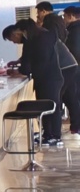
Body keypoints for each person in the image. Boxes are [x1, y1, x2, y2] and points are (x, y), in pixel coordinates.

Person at [5, 19, 73, 147]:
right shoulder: (34, 39)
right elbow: (27, 60)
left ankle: (55, 136)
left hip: (51, 79)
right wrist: (21, 68)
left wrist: (21, 70)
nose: (14, 41)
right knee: (44, 106)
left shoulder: (41, 38)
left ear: (19, 31)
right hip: (44, 79)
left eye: (12, 38)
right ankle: (47, 133)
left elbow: (37, 62)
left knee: (52, 107)